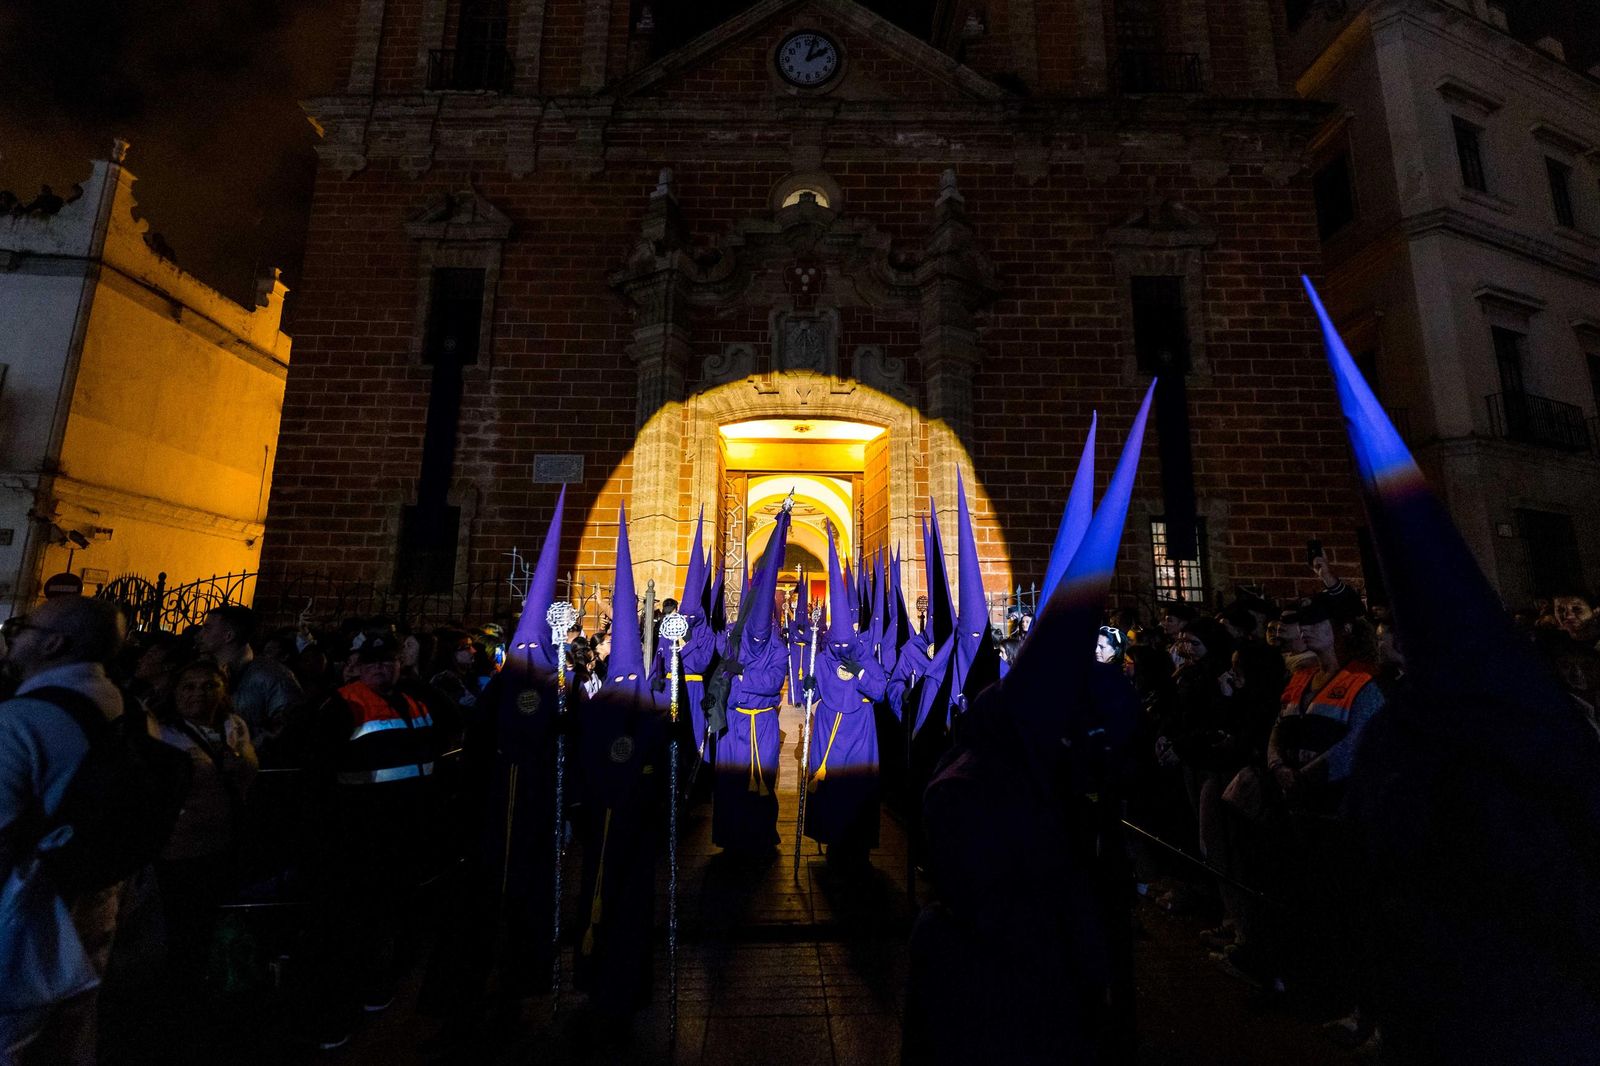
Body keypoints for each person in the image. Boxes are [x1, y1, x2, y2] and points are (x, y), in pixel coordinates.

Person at [0, 597, 131, 1065]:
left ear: (53, 643)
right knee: (68, 1040)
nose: (14, 636)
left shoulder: (21, 720)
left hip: (25, 912)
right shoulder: (124, 708)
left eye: (24, 627)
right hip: (95, 897)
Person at [302, 625, 442, 1051]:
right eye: (372, 663)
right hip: (359, 834)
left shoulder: (415, 701)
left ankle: (375, 987)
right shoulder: (342, 705)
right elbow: (318, 771)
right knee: (350, 926)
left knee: (386, 918)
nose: (382, 668)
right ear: (356, 667)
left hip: (405, 830)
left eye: (389, 661)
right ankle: (335, 1011)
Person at [151, 659, 257, 995]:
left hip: (225, 841)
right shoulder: (160, 733)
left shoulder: (234, 726)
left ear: (224, 690)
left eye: (210, 685)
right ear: (174, 692)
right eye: (189, 686)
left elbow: (249, 771)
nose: (200, 693)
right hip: (179, 847)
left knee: (213, 920)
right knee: (182, 925)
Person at [710, 499, 794, 855]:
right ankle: (730, 837)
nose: (757, 641)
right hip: (734, 726)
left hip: (762, 724)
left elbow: (771, 683)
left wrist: (743, 674)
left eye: (762, 637)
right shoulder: (734, 642)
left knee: (764, 781)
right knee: (731, 782)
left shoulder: (778, 650)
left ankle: (762, 835)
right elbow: (717, 667)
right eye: (752, 636)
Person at [801, 528, 887, 869]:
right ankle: (833, 840)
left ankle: (859, 846)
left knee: (856, 788)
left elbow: (879, 690)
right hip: (829, 732)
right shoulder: (823, 659)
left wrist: (860, 672)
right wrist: (808, 686)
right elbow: (812, 693)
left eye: (844, 645)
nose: (839, 649)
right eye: (835, 645)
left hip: (860, 732)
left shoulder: (863, 655)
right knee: (833, 789)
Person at [197, 605, 302, 755]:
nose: (200, 635)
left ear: (228, 636)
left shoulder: (273, 676)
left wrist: (240, 747)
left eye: (207, 628)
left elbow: (287, 729)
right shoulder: (205, 671)